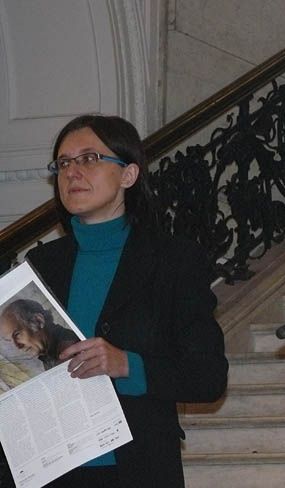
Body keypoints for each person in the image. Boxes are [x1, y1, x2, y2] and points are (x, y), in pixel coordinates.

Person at [23, 114, 228, 488]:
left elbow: (208, 377)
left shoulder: (174, 261)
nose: (72, 172)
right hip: (48, 468)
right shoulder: (41, 264)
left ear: (129, 175)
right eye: (63, 163)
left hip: (137, 468)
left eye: (89, 158)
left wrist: (127, 365)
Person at [0, 299, 78, 370]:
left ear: (38, 321)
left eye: (17, 335)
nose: (17, 346)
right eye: (9, 340)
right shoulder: (49, 355)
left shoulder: (69, 348)